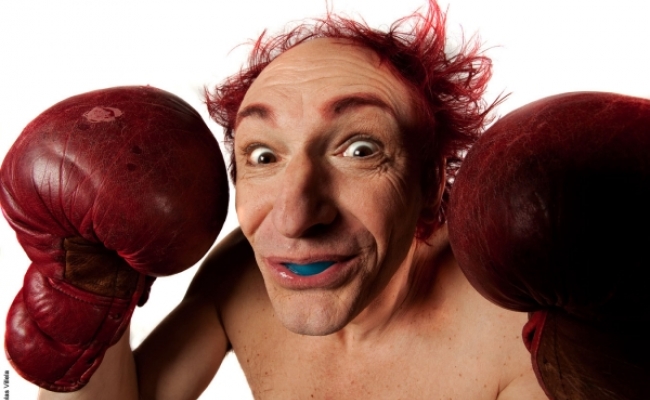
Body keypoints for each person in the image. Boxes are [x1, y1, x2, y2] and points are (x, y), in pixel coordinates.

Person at [17, 1, 546, 398]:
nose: (293, 219)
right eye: (264, 155)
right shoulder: (242, 277)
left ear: (429, 184)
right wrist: (85, 287)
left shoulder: (512, 334)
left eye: (359, 149)